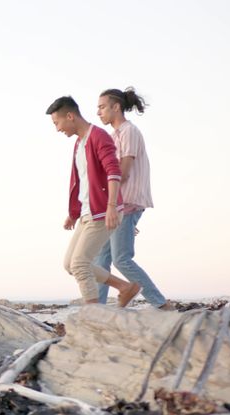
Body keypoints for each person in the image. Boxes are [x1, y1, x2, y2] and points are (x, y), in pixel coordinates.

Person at [46, 95, 141, 306]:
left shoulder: (99, 136)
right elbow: (82, 181)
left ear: (69, 116)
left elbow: (114, 171)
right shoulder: (80, 143)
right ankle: (126, 287)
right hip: (88, 212)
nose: (57, 129)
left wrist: (111, 207)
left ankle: (93, 312)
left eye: (57, 123)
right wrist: (73, 213)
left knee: (80, 264)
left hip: (102, 211)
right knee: (70, 264)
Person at [93, 88, 172, 309]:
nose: (98, 112)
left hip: (126, 202)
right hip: (117, 205)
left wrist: (113, 207)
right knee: (100, 260)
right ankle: (96, 310)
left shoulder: (129, 131)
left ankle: (161, 304)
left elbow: (123, 172)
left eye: (101, 107)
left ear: (115, 107)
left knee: (121, 259)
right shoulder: (113, 136)